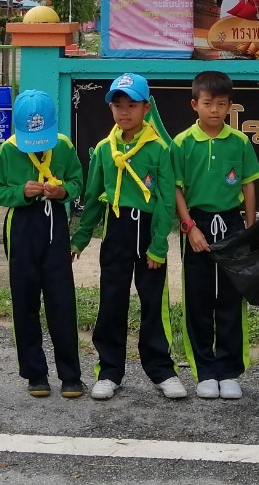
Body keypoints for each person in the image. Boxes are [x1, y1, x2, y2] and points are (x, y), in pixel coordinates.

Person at [70, 72, 184, 401]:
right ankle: (109, 371)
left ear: (146, 108)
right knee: (111, 303)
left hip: (148, 233)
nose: (124, 111)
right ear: (110, 108)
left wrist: (158, 246)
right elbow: (93, 199)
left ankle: (162, 370)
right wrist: (80, 239)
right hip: (117, 232)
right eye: (118, 105)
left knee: (153, 304)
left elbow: (165, 201)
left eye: (132, 105)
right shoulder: (105, 150)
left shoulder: (159, 149)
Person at [172, 71, 259, 400]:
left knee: (231, 298)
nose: (214, 110)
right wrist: (189, 227)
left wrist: (249, 227)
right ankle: (205, 371)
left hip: (232, 223)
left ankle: (229, 369)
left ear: (229, 106)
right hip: (198, 224)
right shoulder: (183, 143)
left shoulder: (240, 141)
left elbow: (248, 184)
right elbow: (176, 189)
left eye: (221, 104)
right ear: (195, 104)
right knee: (199, 299)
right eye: (208, 103)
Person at [0, 90, 85, 399]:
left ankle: (71, 375)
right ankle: (35, 374)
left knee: (62, 300)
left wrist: (63, 192)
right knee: (25, 300)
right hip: (21, 226)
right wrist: (21, 191)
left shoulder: (63, 146)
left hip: (54, 226)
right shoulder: (8, 150)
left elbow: (77, 181)